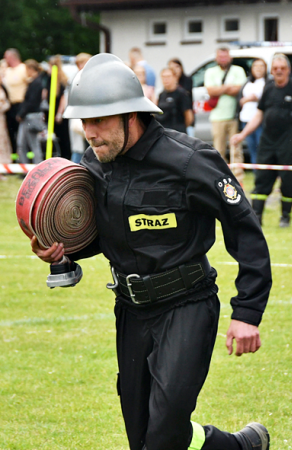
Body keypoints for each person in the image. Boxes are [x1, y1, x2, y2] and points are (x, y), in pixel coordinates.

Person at [31, 54, 272, 450]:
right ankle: (238, 446)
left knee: (163, 432)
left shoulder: (190, 161)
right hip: (130, 310)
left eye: (99, 121)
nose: (89, 133)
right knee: (143, 434)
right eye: (83, 122)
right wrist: (62, 253)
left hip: (187, 305)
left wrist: (247, 312)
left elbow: (244, 228)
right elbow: (106, 236)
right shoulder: (95, 163)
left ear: (131, 115)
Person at [231, 54, 292, 227]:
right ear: (271, 71)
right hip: (267, 142)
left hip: (289, 142)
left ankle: (285, 217)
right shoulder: (268, 88)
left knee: (288, 182)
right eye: (275, 69)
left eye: (282, 68)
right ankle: (257, 217)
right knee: (261, 179)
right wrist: (242, 134)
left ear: (288, 70)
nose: (279, 71)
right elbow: (258, 115)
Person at [205, 47, 246, 181]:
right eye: (220, 56)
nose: (223, 59)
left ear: (230, 58)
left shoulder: (238, 70)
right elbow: (210, 91)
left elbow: (239, 89)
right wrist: (228, 87)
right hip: (217, 117)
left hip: (234, 116)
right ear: (216, 58)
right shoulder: (211, 71)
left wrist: (220, 90)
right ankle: (221, 175)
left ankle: (238, 177)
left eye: (225, 56)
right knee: (219, 149)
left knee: (236, 148)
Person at [236, 58, 268, 165]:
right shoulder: (247, 83)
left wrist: (252, 98)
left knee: (261, 148)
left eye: (261, 66)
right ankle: (255, 172)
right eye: (256, 66)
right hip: (246, 119)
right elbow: (241, 99)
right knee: (252, 148)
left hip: (260, 121)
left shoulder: (268, 83)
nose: (258, 69)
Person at [16, 60, 46, 164]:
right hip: (29, 116)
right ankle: (24, 167)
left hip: (31, 117)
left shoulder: (36, 83)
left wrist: (21, 114)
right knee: (22, 144)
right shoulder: (36, 81)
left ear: (31, 69)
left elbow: (31, 102)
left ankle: (37, 167)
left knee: (33, 144)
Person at [3, 48, 29, 157]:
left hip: (21, 103)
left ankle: (26, 158)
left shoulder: (23, 69)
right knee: (11, 132)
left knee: (21, 133)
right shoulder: (7, 71)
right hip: (10, 105)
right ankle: (14, 157)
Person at [155, 66, 193, 133]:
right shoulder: (161, 95)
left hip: (178, 132)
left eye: (168, 77)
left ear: (175, 78)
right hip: (164, 132)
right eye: (163, 77)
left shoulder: (182, 94)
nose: (166, 80)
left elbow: (189, 117)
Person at [48, 54, 72, 159]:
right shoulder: (51, 80)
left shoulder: (60, 81)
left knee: (64, 139)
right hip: (55, 113)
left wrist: (59, 113)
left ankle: (65, 158)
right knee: (60, 139)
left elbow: (63, 98)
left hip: (60, 114)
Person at [69, 53, 92, 163]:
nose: (80, 66)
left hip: (88, 113)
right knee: (78, 149)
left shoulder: (91, 77)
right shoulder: (76, 78)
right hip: (78, 114)